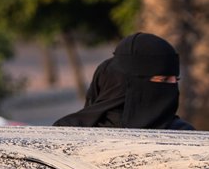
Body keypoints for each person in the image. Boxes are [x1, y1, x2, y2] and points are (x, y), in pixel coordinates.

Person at [53, 32, 194, 130]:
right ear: (129, 83)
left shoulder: (183, 135)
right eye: (163, 79)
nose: (173, 87)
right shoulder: (69, 132)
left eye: (176, 79)